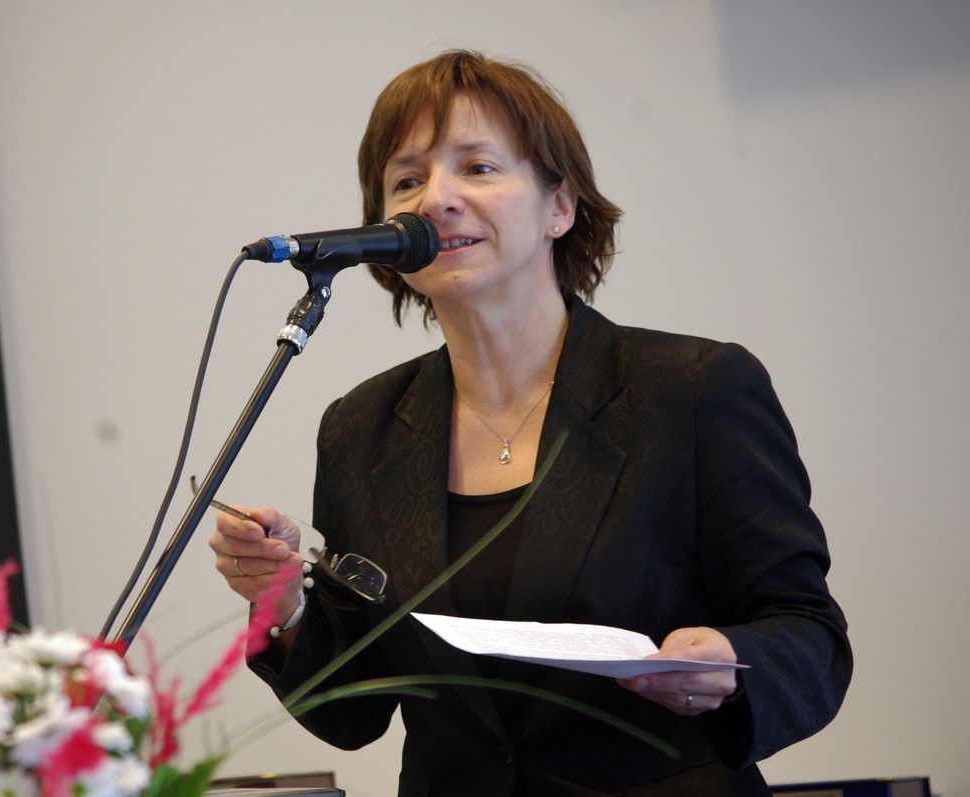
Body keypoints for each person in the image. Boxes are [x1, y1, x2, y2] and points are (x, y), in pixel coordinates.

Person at [208, 50, 851, 796]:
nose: (436, 198)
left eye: (477, 167)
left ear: (560, 207)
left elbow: (808, 633)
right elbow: (355, 708)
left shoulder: (694, 389)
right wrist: (283, 603)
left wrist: (731, 663)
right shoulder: (362, 426)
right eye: (407, 180)